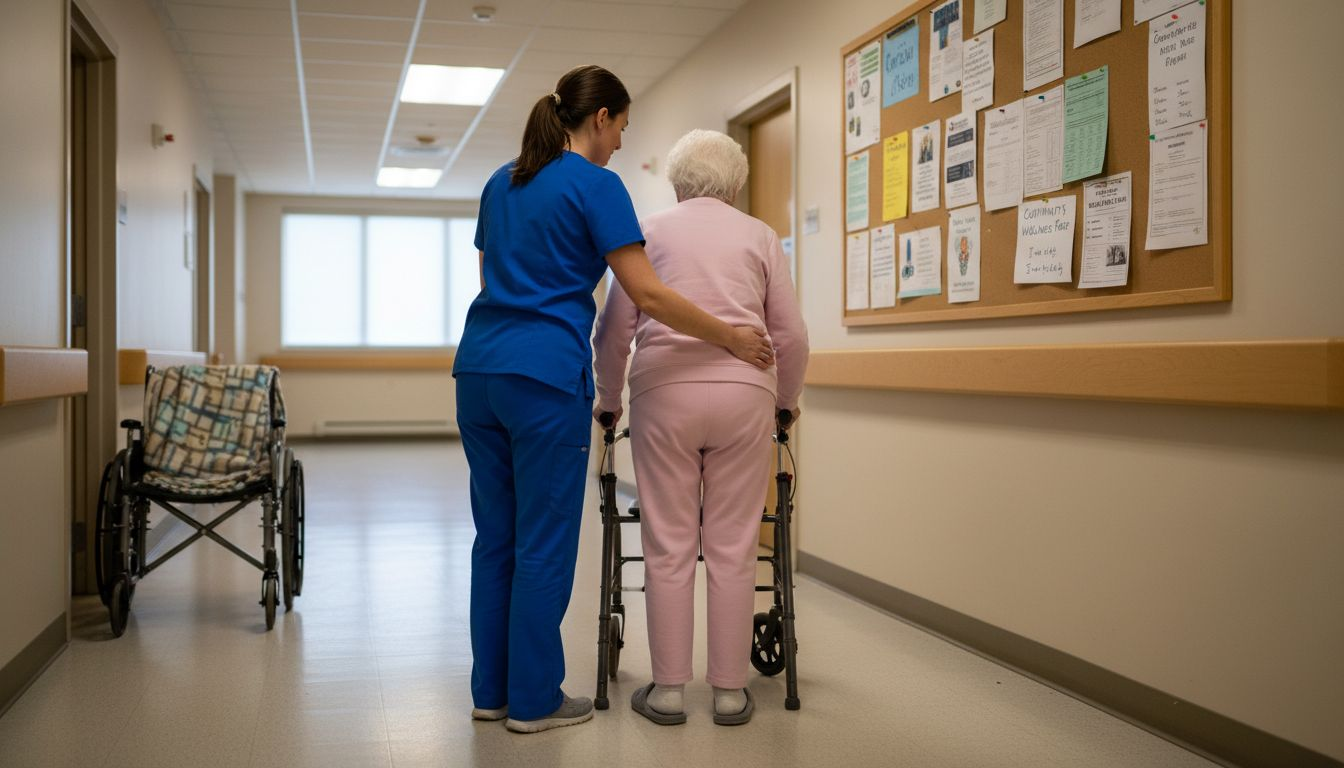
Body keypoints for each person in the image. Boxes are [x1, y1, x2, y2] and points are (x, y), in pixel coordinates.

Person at [452, 67, 774, 735]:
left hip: (480, 370)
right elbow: (648, 296)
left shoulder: (499, 181)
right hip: (543, 378)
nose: (623, 142)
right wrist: (733, 339)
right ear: (599, 119)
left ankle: (492, 692)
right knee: (543, 542)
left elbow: (491, 277)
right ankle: (535, 702)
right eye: (622, 126)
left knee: (497, 539)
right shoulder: (598, 186)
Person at [592, 129, 809, 726]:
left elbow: (613, 331)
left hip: (665, 395)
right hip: (746, 396)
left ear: (677, 182)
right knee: (735, 545)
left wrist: (609, 399)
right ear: (736, 185)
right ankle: (731, 692)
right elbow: (790, 335)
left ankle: (666, 691)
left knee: (668, 542)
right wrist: (784, 402)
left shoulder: (649, 232)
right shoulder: (761, 235)